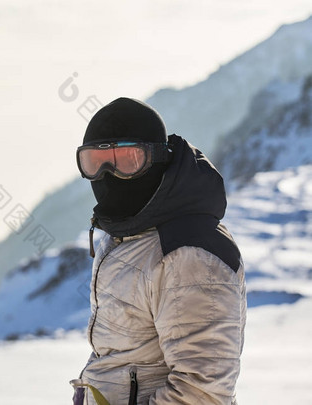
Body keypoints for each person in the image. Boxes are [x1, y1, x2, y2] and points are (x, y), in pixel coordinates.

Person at [70, 97, 247, 405]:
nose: (108, 174)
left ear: (156, 159)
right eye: (95, 163)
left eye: (128, 160)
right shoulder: (129, 235)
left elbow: (202, 392)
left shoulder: (189, 252)